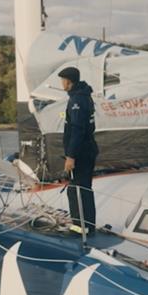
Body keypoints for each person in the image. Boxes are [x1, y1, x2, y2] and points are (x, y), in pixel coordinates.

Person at [58, 66, 98, 236]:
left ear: (68, 81)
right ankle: (89, 227)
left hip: (81, 153)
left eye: (62, 80)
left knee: (76, 190)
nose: (61, 83)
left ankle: (79, 229)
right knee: (85, 190)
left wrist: (71, 156)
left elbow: (77, 129)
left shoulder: (76, 101)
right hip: (88, 150)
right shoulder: (83, 96)